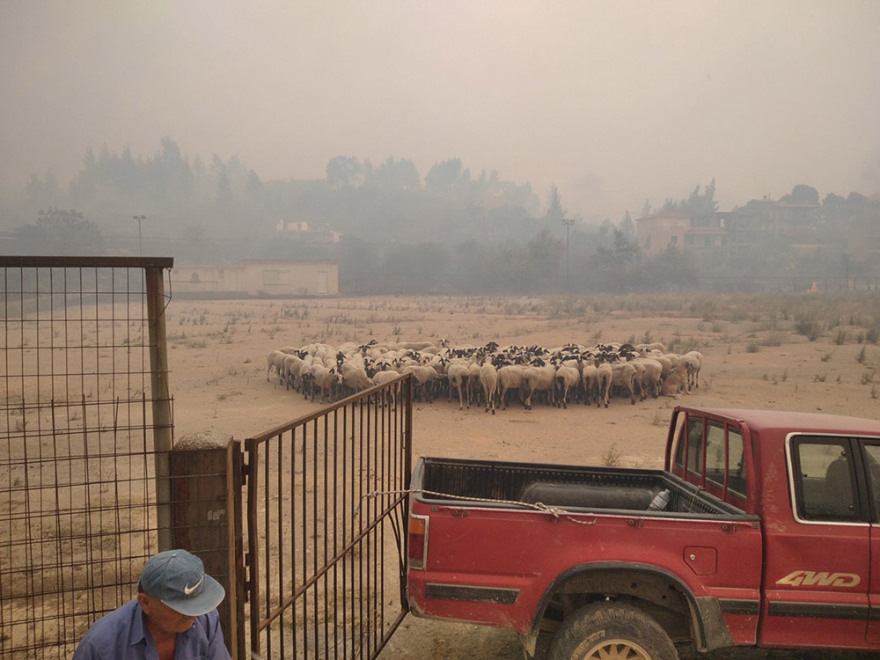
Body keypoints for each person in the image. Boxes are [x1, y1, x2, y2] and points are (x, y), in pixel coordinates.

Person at [73, 549, 231, 659]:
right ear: (145, 602)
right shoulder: (101, 645)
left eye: (197, 604)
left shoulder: (207, 619)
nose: (194, 614)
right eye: (182, 608)